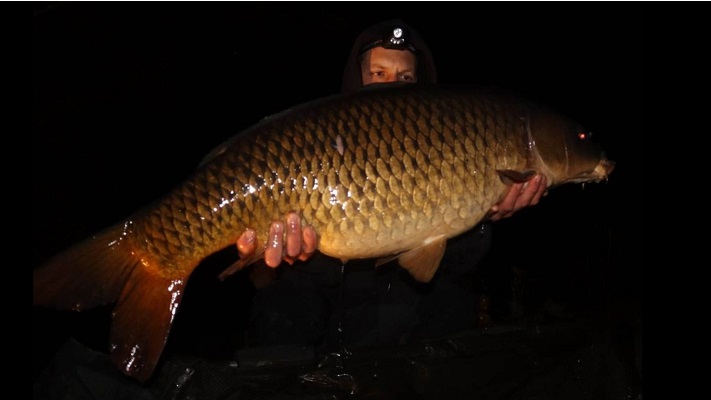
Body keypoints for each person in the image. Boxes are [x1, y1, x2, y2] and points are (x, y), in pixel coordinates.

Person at [236, 19, 547, 351]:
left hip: (412, 333)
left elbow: (450, 268)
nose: (391, 86)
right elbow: (288, 280)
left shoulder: (448, 149)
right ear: (356, 80)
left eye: (405, 77)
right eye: (378, 74)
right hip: (330, 333)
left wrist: (485, 216)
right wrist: (289, 256)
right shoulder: (316, 146)